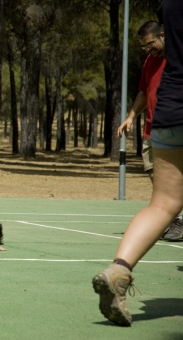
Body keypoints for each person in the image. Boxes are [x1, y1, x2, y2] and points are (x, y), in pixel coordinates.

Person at [93, 0, 183, 327]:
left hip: (170, 112)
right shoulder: (149, 59)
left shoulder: (169, 7)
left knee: (163, 203)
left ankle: (120, 269)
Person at [117, 20, 183, 241]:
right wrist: (130, 117)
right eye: (144, 47)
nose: (148, 50)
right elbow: (144, 92)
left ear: (163, 35)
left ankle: (176, 220)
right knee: (155, 176)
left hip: (176, 127)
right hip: (151, 129)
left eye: (150, 44)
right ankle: (175, 221)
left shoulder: (177, 59)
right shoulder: (149, 62)